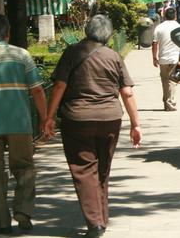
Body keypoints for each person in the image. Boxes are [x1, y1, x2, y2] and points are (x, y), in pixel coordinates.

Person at [43, 15, 142, 238]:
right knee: (103, 169)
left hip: (77, 120)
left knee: (84, 169)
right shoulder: (114, 56)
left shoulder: (72, 53)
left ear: (87, 31)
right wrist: (136, 125)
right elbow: (127, 92)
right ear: (108, 34)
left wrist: (49, 117)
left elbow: (59, 86)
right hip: (110, 119)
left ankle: (95, 223)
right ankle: (101, 218)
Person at [0, 15, 47, 234]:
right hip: (19, 122)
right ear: (7, 34)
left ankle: (1, 224)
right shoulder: (21, 55)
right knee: (24, 167)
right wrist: (45, 118)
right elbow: (38, 90)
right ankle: (23, 210)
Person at [152, 7, 180, 111]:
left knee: (165, 81)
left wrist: (154, 57)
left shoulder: (159, 28)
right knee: (173, 81)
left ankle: (167, 102)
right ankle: (170, 103)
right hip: (175, 58)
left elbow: (154, 43)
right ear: (175, 16)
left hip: (163, 59)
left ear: (164, 16)